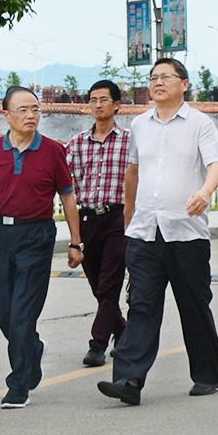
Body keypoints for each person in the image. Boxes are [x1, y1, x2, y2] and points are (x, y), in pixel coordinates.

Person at [97, 58, 218, 406]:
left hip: (186, 233)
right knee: (141, 305)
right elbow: (133, 171)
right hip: (145, 231)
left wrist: (204, 192)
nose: (158, 82)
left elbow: (215, 164)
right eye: (153, 77)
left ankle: (207, 374)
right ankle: (128, 379)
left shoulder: (200, 124)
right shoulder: (140, 125)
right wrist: (129, 216)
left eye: (166, 77)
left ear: (184, 84)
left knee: (194, 305)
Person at [0, 86, 83, 409]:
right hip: (1, 236)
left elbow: (68, 197)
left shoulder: (53, 151)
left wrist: (76, 242)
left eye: (35, 109)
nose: (31, 115)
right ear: (6, 115)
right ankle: (32, 349)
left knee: (23, 312)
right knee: (4, 313)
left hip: (37, 235)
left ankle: (18, 384)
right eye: (23, 110)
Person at [65, 79, 131, 367]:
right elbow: (62, 180)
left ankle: (98, 344)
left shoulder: (130, 141)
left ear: (116, 105)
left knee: (109, 285)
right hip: (88, 218)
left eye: (104, 99)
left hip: (119, 217)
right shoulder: (77, 143)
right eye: (93, 100)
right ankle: (124, 332)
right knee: (97, 285)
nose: (98, 105)